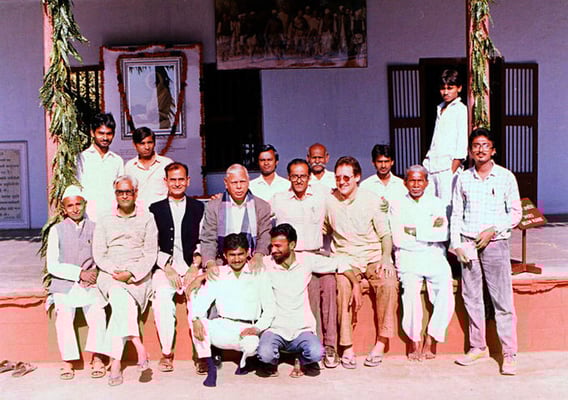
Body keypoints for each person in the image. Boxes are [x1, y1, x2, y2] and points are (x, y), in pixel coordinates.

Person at [451, 128, 522, 375]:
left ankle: (509, 353)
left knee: (502, 300)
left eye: (485, 145)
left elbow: (516, 213)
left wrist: (493, 229)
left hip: (495, 243)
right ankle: (477, 346)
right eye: (476, 146)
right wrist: (456, 244)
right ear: (470, 151)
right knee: (471, 298)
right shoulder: (463, 178)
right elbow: (457, 213)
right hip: (468, 244)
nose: (480, 149)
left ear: (493, 150)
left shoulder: (505, 177)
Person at [257, 224, 360, 378]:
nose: (273, 250)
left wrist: (356, 284)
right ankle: (275, 361)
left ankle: (300, 359)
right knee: (265, 355)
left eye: (278, 246)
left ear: (292, 245)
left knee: (316, 354)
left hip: (302, 329)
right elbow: (240, 268)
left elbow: (340, 263)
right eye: (272, 246)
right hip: (275, 329)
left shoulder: (306, 260)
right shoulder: (266, 263)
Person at [324, 156, 398, 369]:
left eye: (347, 177)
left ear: (357, 177)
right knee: (340, 285)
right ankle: (347, 346)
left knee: (388, 282)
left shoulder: (372, 199)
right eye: (338, 178)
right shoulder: (329, 201)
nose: (342, 182)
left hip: (373, 258)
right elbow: (322, 229)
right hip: (347, 260)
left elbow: (385, 234)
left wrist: (386, 258)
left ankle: (381, 342)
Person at [270, 159, 339, 368]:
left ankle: (330, 346)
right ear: (289, 177)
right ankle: (311, 346)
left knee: (329, 285)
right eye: (294, 176)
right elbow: (263, 215)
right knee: (310, 291)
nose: (299, 180)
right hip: (294, 258)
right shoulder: (279, 199)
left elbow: (340, 206)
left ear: (309, 177)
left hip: (316, 254)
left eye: (303, 176)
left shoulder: (322, 196)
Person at [93, 175, 158, 386]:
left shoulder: (147, 219)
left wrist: (131, 273)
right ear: (116, 195)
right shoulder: (104, 220)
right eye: (120, 192)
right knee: (120, 296)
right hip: (110, 274)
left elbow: (150, 254)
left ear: (135, 194)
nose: (124, 196)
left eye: (128, 192)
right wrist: (116, 272)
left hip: (137, 277)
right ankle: (136, 342)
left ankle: (115, 362)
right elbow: (99, 254)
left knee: (122, 302)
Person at [191, 233, 276, 387]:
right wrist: (196, 319)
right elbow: (202, 301)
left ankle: (244, 363)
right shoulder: (218, 273)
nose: (236, 259)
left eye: (240, 254)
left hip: (247, 329)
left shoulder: (258, 273)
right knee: (196, 321)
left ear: (248, 252)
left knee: (251, 346)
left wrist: (257, 328)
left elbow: (270, 308)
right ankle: (211, 368)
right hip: (222, 326)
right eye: (232, 255)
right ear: (225, 255)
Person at [389, 165, 454, 361]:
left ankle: (432, 336)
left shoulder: (437, 203)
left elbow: (442, 233)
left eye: (420, 181)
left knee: (445, 288)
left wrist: (414, 231)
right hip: (408, 254)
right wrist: (427, 231)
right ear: (405, 182)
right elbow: (398, 238)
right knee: (409, 292)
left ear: (426, 182)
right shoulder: (397, 204)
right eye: (412, 180)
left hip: (433, 253)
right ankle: (414, 339)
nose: (416, 185)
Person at [46, 185, 107, 380]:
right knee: (63, 313)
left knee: (98, 310)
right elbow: (52, 265)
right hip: (65, 282)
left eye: (78, 204)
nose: (75, 209)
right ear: (64, 209)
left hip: (91, 282)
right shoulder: (57, 230)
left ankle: (97, 357)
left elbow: (101, 256)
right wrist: (79, 273)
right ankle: (68, 360)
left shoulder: (95, 227)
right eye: (70, 205)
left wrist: (94, 273)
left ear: (85, 205)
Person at [148, 162, 204, 373]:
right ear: (166, 182)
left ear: (188, 181)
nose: (177, 183)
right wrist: (166, 267)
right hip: (165, 268)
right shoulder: (155, 209)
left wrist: (195, 266)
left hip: (191, 266)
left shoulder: (199, 207)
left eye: (181, 179)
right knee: (162, 299)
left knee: (198, 301)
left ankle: (201, 353)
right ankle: (166, 353)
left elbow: (202, 240)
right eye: (173, 179)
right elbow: (150, 244)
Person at [200, 164, 272, 274]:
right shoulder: (214, 206)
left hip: (252, 262)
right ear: (226, 183)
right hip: (221, 263)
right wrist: (210, 263)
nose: (239, 187)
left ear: (248, 181)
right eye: (234, 182)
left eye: (242, 182)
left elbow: (265, 236)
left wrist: (258, 255)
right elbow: (208, 238)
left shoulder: (262, 206)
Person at [423, 69, 468, 209]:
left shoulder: (460, 109)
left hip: (447, 168)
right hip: (432, 165)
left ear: (459, 88)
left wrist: (451, 170)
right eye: (443, 88)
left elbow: (462, 142)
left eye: (450, 88)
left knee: (446, 207)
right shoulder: (441, 108)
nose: (446, 92)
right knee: (431, 206)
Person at [77, 113, 124, 222]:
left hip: (112, 217)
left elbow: (120, 190)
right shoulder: (82, 158)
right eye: (101, 133)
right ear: (92, 133)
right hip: (88, 216)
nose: (105, 138)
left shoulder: (117, 160)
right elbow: (78, 189)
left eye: (109, 134)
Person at [124, 127, 173, 209]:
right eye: (142, 143)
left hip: (162, 213)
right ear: (134, 145)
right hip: (138, 214)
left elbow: (174, 191)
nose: (147, 147)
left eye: (149, 142)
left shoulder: (167, 164)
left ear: (154, 143)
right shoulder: (129, 167)